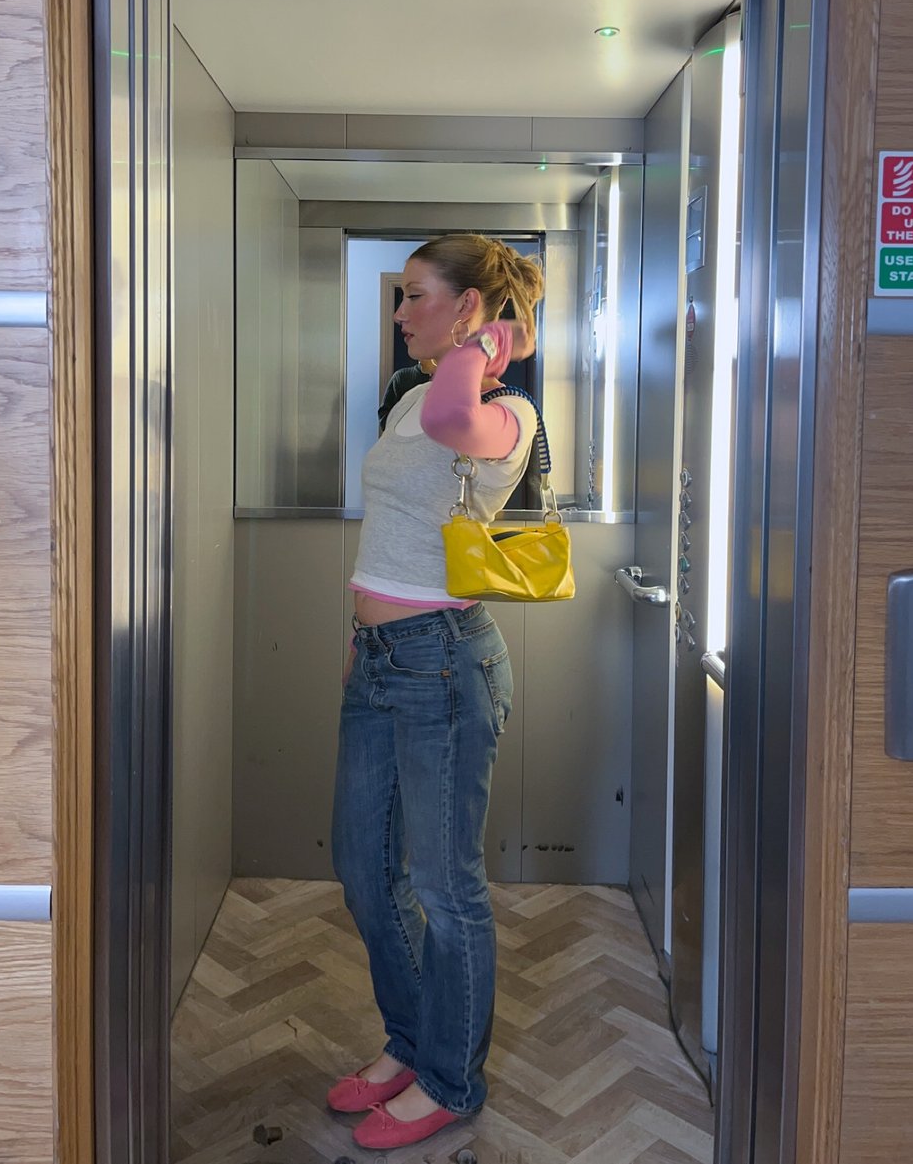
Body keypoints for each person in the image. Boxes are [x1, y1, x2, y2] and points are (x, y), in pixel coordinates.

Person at [328, 233, 545, 1152]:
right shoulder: (412, 392)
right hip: (381, 660)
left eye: (416, 294)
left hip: (446, 663)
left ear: (464, 309)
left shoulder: (502, 412)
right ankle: (413, 1041)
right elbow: (386, 529)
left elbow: (460, 422)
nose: (398, 309)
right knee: (364, 868)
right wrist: (357, 641)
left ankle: (453, 1079)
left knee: (444, 886)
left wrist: (486, 346)